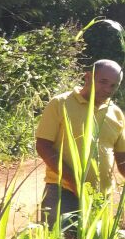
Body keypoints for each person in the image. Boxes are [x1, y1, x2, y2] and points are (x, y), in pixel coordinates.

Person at [35, 59, 125, 228]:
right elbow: (43, 145)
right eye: (103, 82)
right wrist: (75, 183)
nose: (107, 89)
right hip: (63, 191)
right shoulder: (61, 103)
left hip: (100, 197)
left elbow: (122, 158)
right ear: (88, 77)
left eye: (113, 85)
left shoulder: (116, 113)